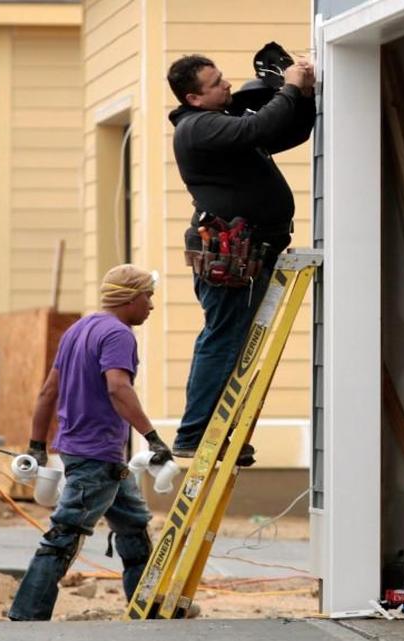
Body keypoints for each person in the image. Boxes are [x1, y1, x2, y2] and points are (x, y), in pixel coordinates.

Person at [165, 52, 316, 463]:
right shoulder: (199, 128)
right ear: (194, 98)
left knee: (235, 342)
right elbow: (260, 125)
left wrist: (302, 95)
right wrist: (289, 85)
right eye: (215, 83)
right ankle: (196, 434)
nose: (226, 85)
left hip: (251, 253)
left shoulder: (222, 127)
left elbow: (287, 132)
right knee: (223, 340)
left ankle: (221, 430)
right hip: (233, 257)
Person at [7, 265, 173, 621]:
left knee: (132, 526)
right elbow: (118, 387)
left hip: (92, 453)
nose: (151, 305)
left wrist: (37, 443)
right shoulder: (118, 335)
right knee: (64, 535)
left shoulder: (77, 330)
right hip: (95, 454)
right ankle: (26, 616)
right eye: (148, 296)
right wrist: (153, 437)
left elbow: (48, 390)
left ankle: (147, 611)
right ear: (129, 298)